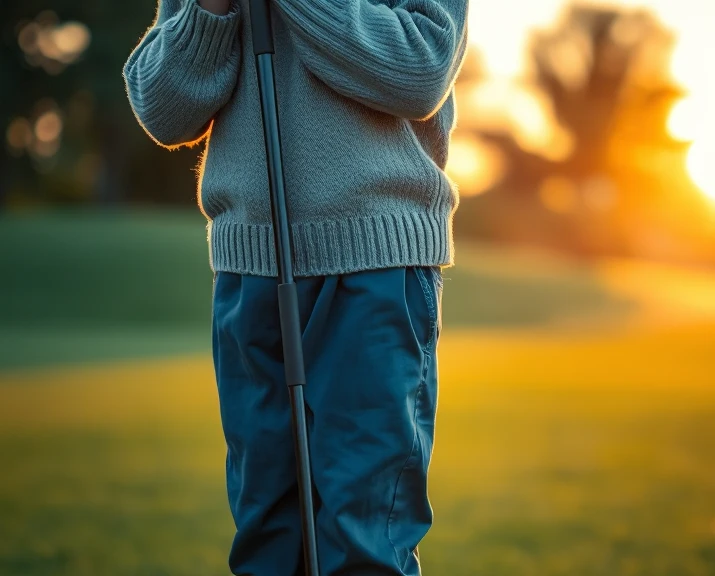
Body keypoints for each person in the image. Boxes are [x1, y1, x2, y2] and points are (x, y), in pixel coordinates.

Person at [123, 0, 468, 574]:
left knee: (365, 543)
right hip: (249, 269)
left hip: (376, 265)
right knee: (267, 541)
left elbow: (420, 68)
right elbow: (164, 109)